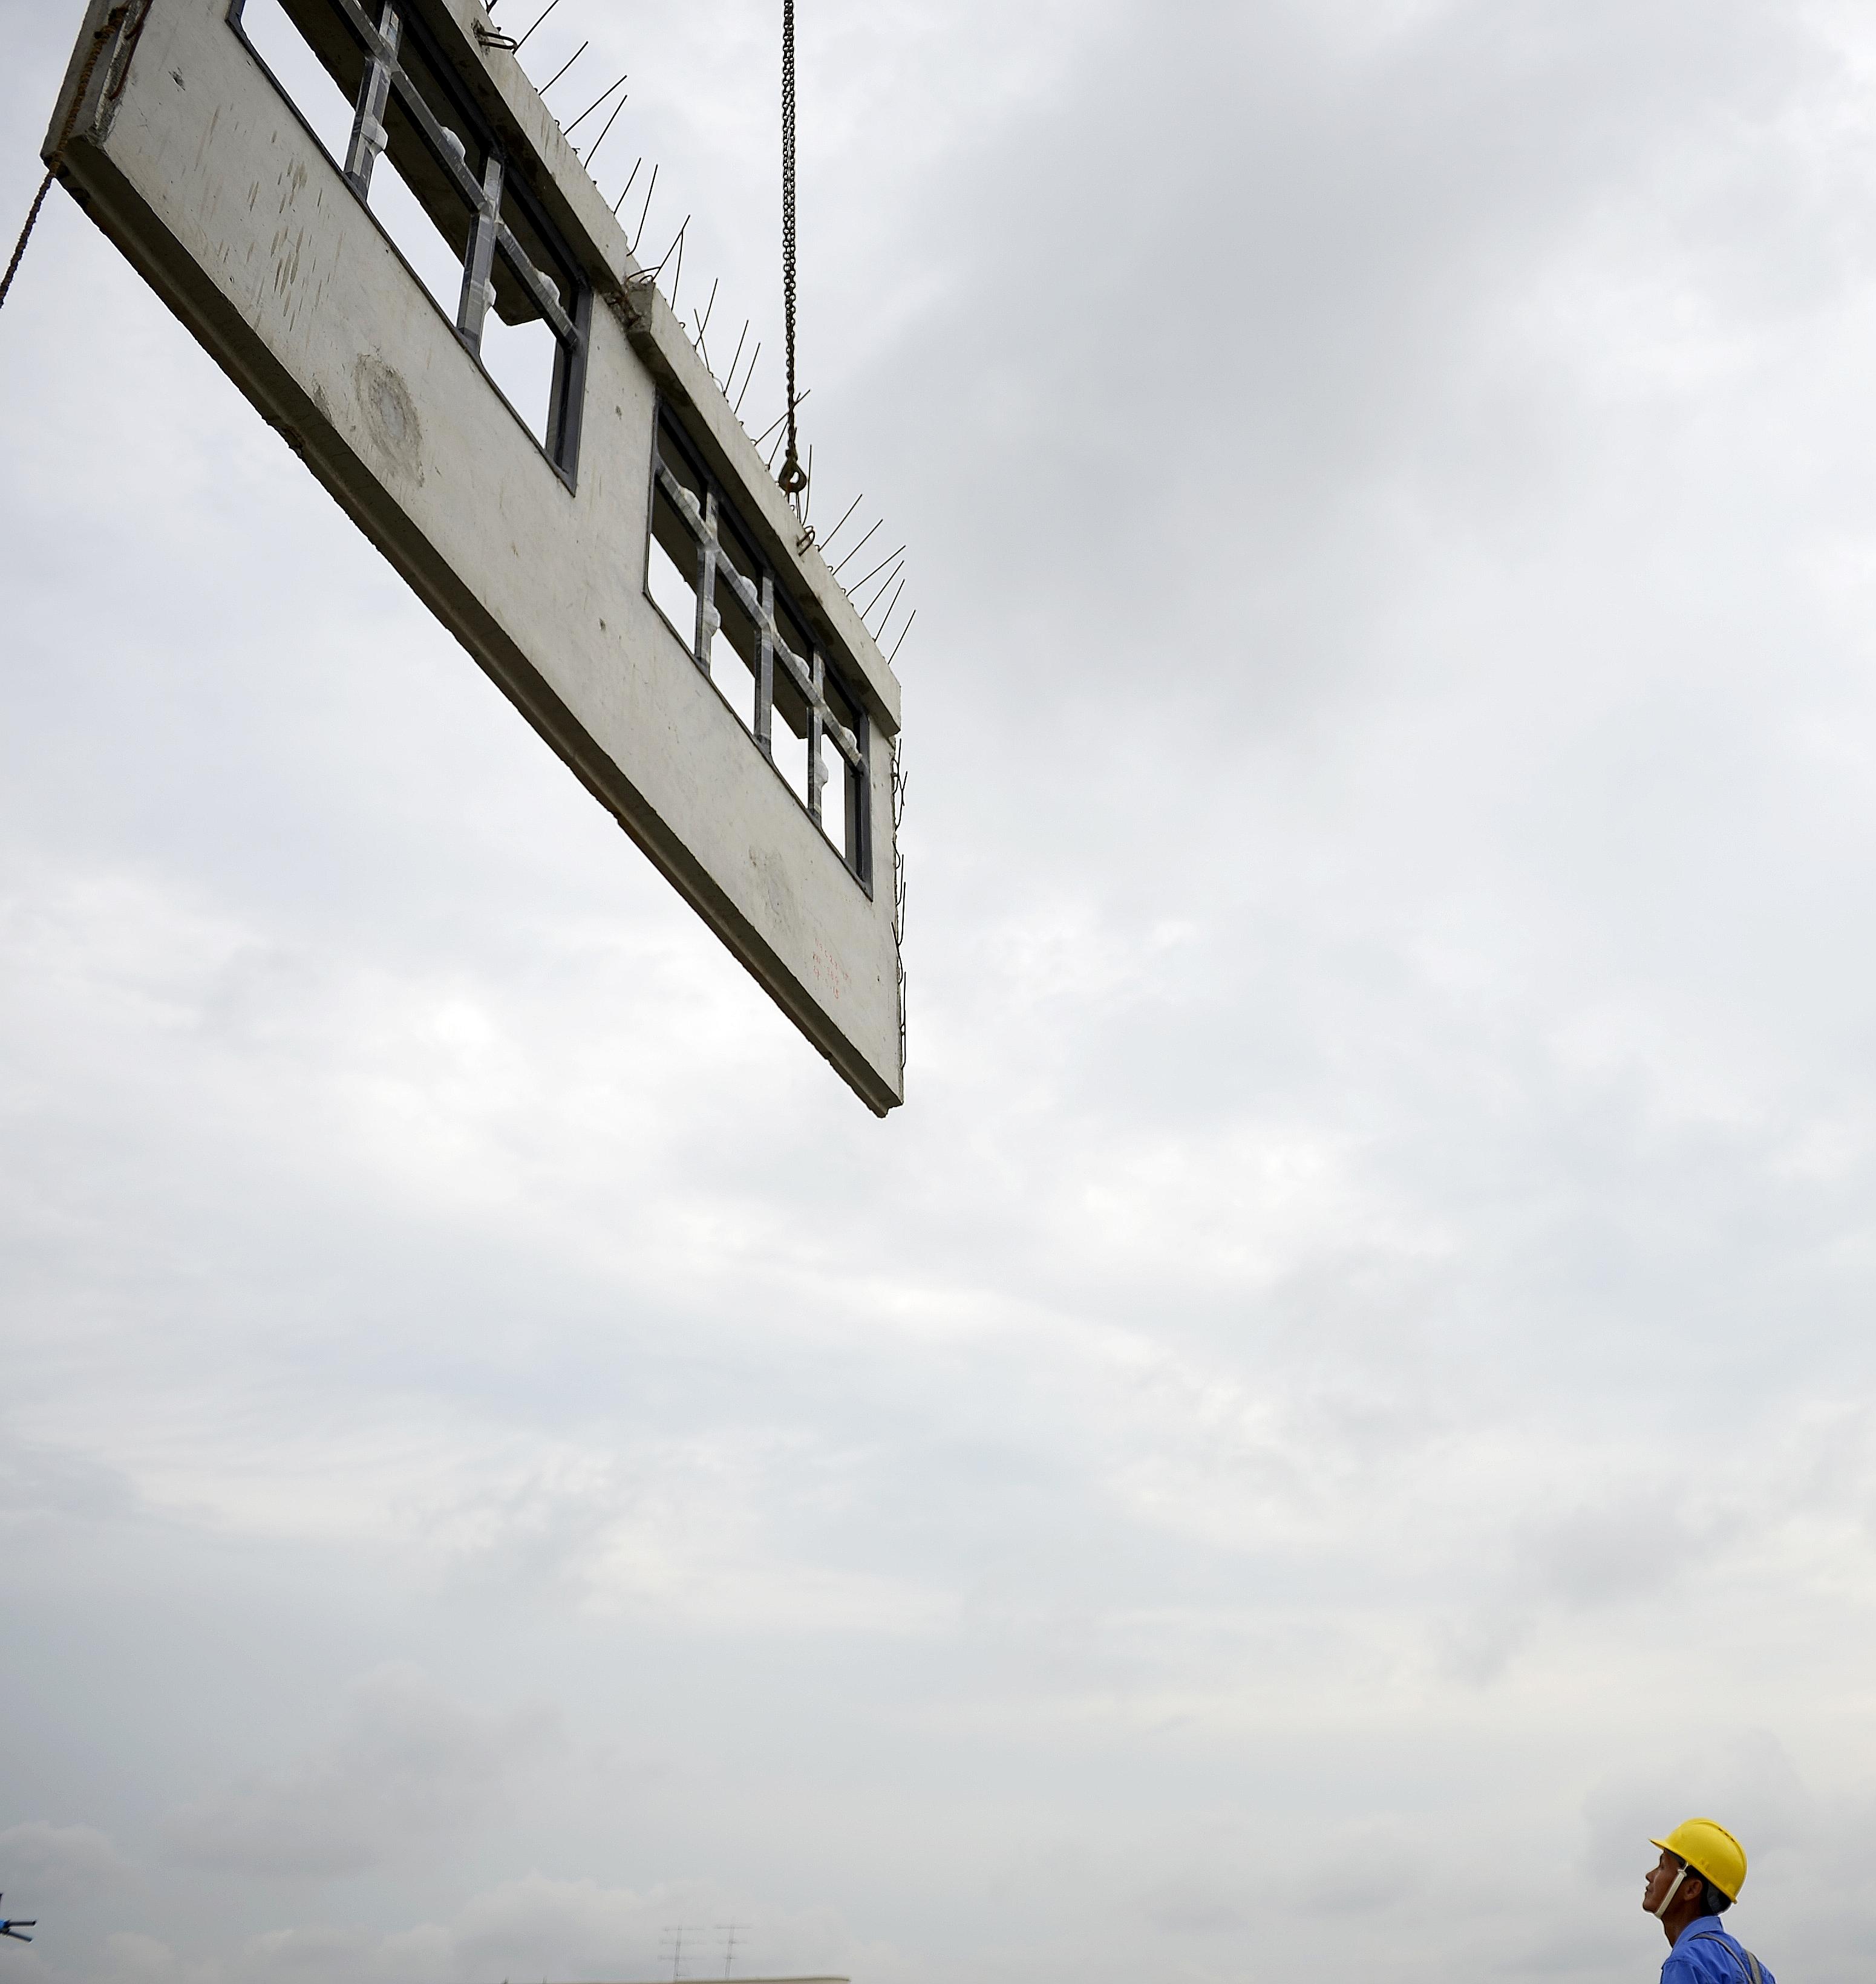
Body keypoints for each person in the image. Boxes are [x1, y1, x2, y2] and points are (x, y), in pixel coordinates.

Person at [1644, 1819, 1775, 1984]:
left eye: (1662, 1866)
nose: (1650, 1875)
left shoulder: (1686, 1963)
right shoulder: (1756, 1969)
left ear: (1692, 1889)